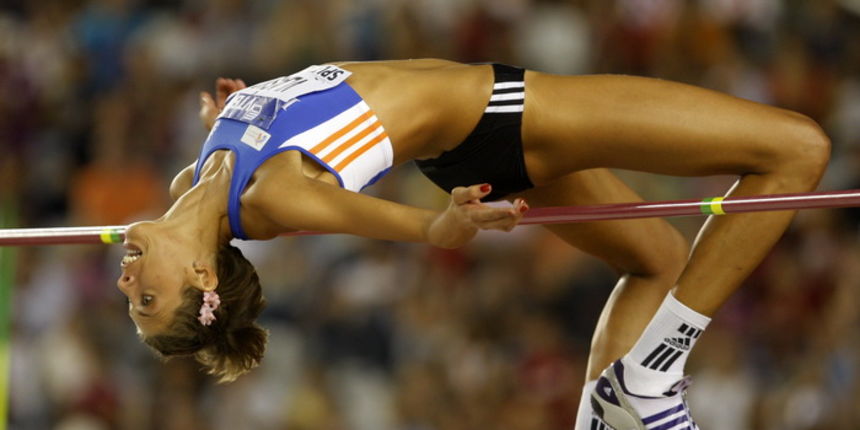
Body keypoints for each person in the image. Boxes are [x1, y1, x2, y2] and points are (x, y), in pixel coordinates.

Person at [114, 59, 830, 429]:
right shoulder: (268, 199)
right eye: (147, 300)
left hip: (470, 140)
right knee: (797, 149)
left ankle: (603, 417)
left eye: (133, 300)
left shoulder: (196, 176)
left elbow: (301, 121)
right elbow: (394, 222)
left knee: (657, 261)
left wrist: (230, 113)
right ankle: (651, 376)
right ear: (204, 274)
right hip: (501, 117)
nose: (125, 282)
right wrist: (440, 227)